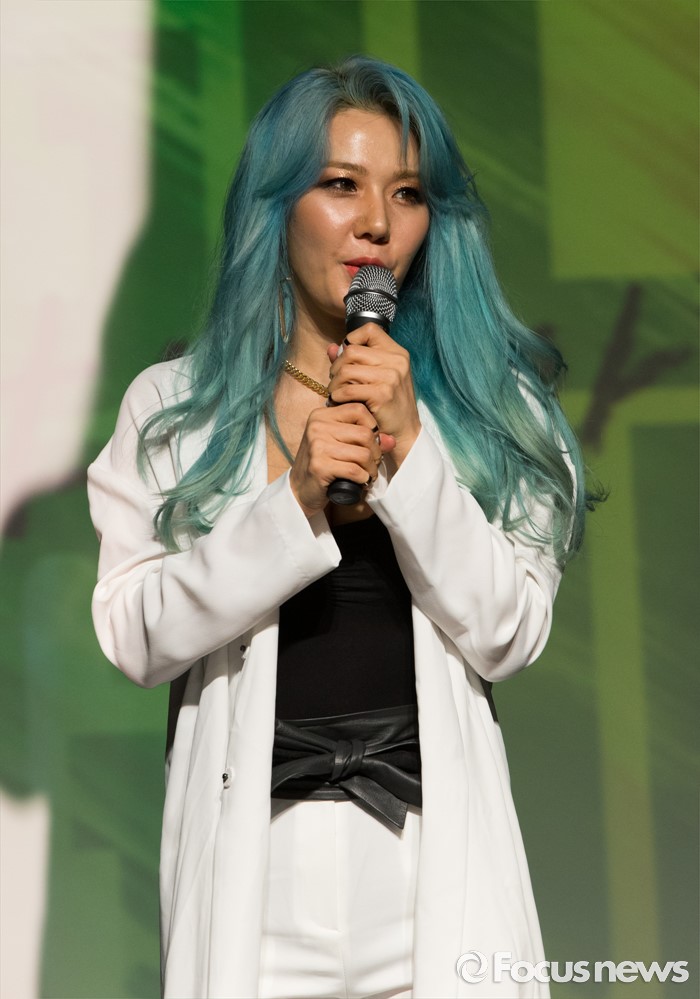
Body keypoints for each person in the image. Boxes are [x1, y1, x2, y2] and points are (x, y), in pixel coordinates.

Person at [88, 56, 595, 999]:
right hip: (258, 872)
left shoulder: (494, 410)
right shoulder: (177, 408)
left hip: (428, 866)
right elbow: (132, 633)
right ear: (277, 206)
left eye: (407, 193)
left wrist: (414, 450)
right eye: (340, 185)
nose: (376, 225)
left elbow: (509, 631)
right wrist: (293, 503)